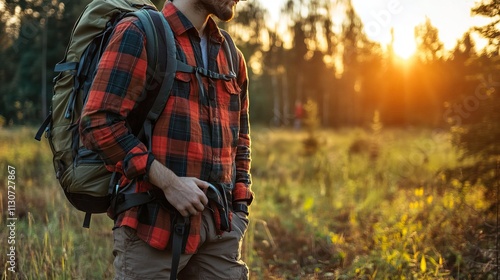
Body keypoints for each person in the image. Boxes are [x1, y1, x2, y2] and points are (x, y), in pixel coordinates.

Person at [79, 0, 253, 279]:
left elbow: (241, 141)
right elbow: (97, 122)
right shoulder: (140, 33)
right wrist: (169, 183)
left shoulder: (232, 56)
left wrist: (239, 211)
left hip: (220, 233)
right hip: (153, 228)